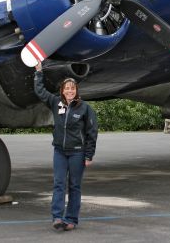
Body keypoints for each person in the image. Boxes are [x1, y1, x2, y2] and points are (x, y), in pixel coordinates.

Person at [34, 61, 98, 231]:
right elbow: (40, 92)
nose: (70, 91)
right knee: (59, 183)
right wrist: (39, 73)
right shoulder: (56, 103)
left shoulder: (85, 108)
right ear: (62, 91)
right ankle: (57, 217)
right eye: (66, 88)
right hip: (60, 152)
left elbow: (92, 132)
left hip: (78, 153)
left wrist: (88, 155)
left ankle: (71, 219)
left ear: (76, 91)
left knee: (74, 186)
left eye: (73, 88)